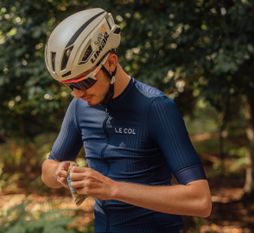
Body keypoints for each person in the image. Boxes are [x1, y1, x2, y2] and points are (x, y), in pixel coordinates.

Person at [41, 8, 212, 233]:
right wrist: (59, 172)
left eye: (83, 83)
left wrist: (112, 189)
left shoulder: (156, 107)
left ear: (110, 63)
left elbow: (200, 201)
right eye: (69, 86)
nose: (76, 94)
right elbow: (47, 171)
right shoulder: (79, 107)